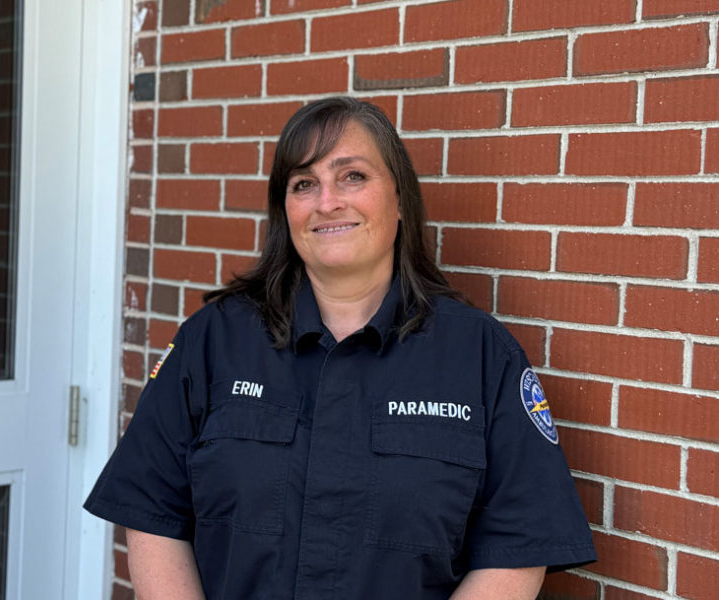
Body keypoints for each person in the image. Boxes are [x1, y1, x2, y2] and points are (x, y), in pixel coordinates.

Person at [85, 97, 596, 599]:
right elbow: (153, 516)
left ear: (399, 199)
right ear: (285, 211)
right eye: (304, 183)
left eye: (352, 176)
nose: (327, 201)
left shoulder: (481, 355)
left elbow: (519, 548)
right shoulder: (214, 341)